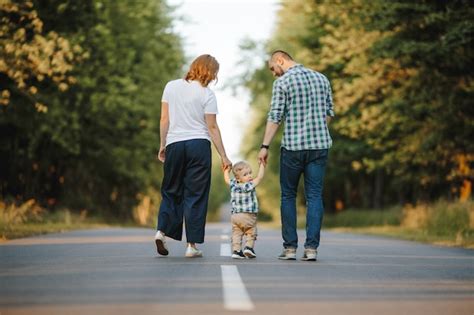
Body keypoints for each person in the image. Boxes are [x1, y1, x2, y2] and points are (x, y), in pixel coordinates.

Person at [258, 50, 334, 261]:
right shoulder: (322, 78)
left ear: (280, 60)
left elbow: (275, 116)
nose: (274, 74)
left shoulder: (283, 83)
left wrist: (265, 145)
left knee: (288, 195)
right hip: (319, 147)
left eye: (274, 69)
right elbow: (329, 112)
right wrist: (318, 130)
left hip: (293, 148)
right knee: (315, 196)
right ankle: (311, 249)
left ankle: (290, 248)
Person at [154, 54, 232, 258]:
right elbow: (212, 127)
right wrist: (224, 155)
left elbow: (164, 118)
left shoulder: (171, 86)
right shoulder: (208, 94)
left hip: (175, 144)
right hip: (199, 145)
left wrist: (163, 144)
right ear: (211, 72)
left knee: (171, 191)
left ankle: (161, 232)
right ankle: (191, 246)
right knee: (195, 195)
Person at [223, 161, 265, 259]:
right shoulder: (249, 185)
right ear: (238, 177)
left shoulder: (233, 184)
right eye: (245, 174)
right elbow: (259, 177)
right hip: (248, 215)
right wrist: (262, 165)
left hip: (235, 216)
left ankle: (236, 251)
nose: (249, 176)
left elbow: (226, 179)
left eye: (250, 173)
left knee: (236, 233)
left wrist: (226, 170)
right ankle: (248, 248)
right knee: (251, 231)